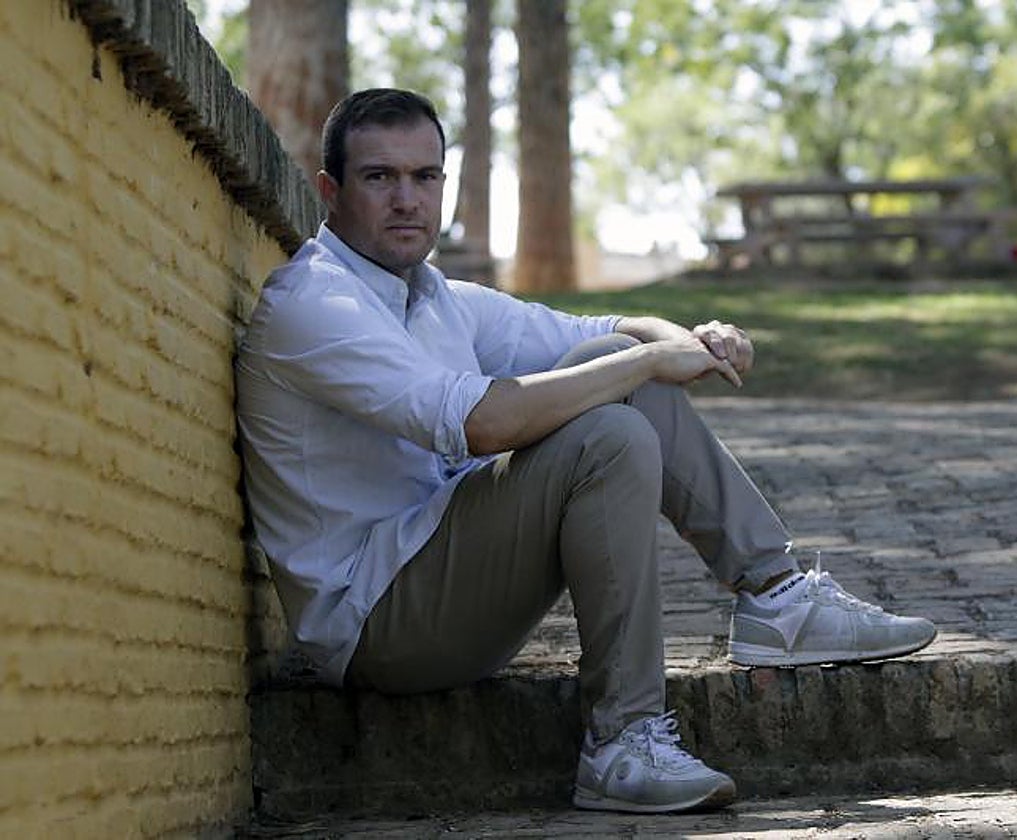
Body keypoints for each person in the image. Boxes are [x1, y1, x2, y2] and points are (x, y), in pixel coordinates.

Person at [236, 88, 936, 814]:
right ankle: (623, 740)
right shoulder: (318, 304)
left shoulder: (431, 295)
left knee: (610, 359)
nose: (407, 199)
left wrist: (694, 338)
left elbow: (608, 329)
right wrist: (644, 365)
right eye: (380, 178)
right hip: (378, 627)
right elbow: (487, 425)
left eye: (425, 177)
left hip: (449, 580)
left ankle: (777, 595)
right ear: (331, 191)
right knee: (609, 419)